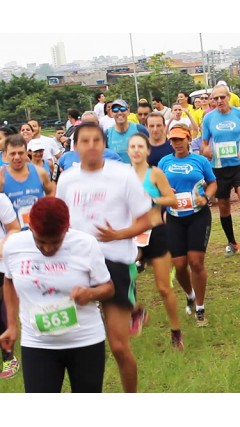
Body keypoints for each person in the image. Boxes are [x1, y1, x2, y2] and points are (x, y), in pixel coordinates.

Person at [56, 122, 152, 393]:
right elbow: (61, 222)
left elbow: (146, 220)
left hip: (115, 263)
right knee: (70, 341)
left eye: (96, 141)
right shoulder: (67, 179)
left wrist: (118, 234)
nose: (90, 146)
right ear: (74, 147)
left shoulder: (122, 175)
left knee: (120, 346)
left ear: (104, 144)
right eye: (84, 141)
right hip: (75, 264)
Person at [0, 197, 115, 392]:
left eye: (55, 242)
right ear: (30, 228)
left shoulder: (85, 244)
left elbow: (109, 288)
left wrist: (90, 293)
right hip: (37, 343)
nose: (47, 248)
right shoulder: (14, 246)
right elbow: (9, 281)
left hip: (85, 341)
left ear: (66, 230)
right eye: (41, 241)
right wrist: (11, 325)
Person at [128, 133, 183, 348]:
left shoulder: (155, 174)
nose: (136, 150)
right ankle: (136, 310)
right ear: (128, 151)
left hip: (156, 233)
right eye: (132, 146)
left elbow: (173, 200)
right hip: (132, 235)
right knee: (123, 275)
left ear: (147, 150)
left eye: (140, 146)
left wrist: (152, 199)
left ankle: (176, 331)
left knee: (163, 288)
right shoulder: (123, 176)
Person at [159, 124, 217, 327]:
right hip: (175, 216)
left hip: (197, 215)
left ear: (188, 139)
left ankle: (200, 308)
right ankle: (190, 294)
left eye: (180, 139)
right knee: (180, 264)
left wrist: (207, 197)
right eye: (173, 140)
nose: (177, 144)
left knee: (196, 261)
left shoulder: (200, 160)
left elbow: (213, 182)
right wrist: (166, 191)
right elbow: (158, 186)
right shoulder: (164, 161)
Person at [201, 84, 240, 257]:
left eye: (222, 97)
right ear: (212, 100)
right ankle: (231, 242)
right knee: (223, 205)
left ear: (228, 97)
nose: (220, 101)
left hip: (239, 165)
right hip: (219, 167)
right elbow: (204, 143)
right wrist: (206, 150)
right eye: (216, 98)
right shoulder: (208, 118)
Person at [1, 135, 56, 230]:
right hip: (14, 234)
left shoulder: (40, 172)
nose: (17, 157)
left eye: (21, 153)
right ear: (5, 154)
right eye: (12, 154)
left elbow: (51, 191)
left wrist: (45, 209)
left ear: (27, 153)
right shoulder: (1, 177)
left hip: (39, 231)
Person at [0, 192, 21, 380]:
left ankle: (9, 358)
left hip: (0, 265)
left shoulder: (1, 200)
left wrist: (3, 244)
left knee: (2, 311)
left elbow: (14, 228)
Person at [105, 99, 149, 164]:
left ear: (128, 111)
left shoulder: (139, 129)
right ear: (111, 113)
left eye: (123, 109)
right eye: (115, 110)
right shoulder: (107, 134)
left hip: (137, 172)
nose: (119, 112)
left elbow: (150, 152)